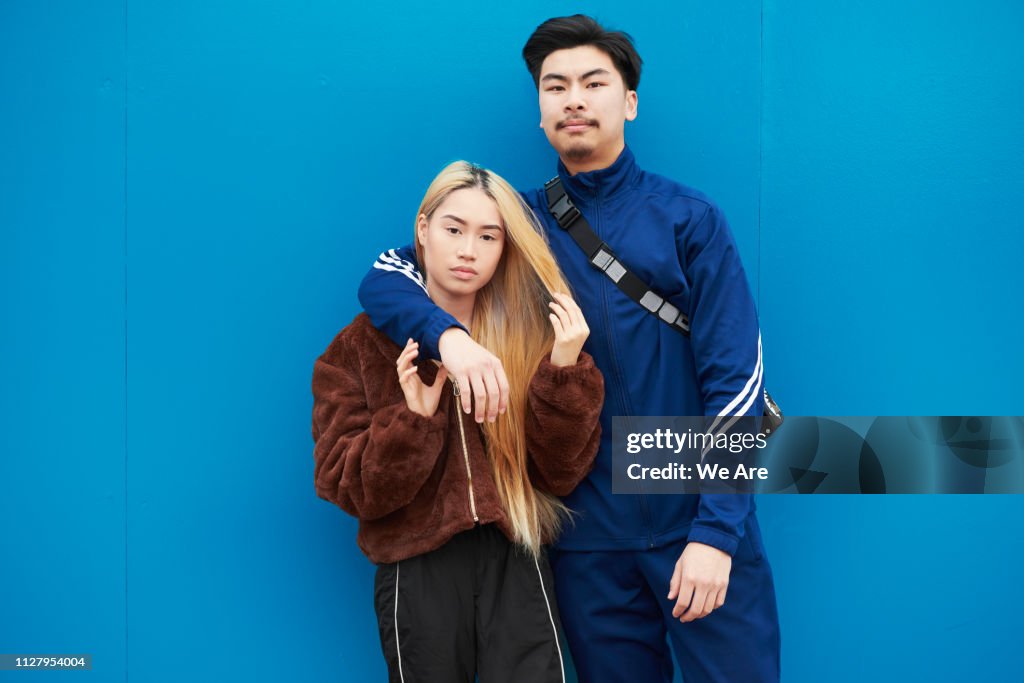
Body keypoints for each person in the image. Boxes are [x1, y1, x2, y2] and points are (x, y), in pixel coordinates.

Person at [356, 15, 781, 683]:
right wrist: (452, 341)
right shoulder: (518, 226)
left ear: (629, 102)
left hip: (692, 517)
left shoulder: (687, 218)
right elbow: (385, 274)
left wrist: (715, 533)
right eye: (555, 86)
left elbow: (739, 382)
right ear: (540, 110)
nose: (574, 99)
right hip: (585, 538)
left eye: (593, 82)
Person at [312, 161, 604, 682]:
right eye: (454, 229)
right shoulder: (358, 347)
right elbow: (343, 484)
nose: (469, 250)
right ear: (422, 230)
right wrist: (414, 423)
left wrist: (563, 370)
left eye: (488, 236)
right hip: (415, 564)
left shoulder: (528, 336)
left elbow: (561, 473)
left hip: (516, 558)